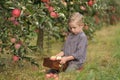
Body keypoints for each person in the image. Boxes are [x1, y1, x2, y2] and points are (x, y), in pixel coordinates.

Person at [45, 12, 88, 80]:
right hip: (66, 60)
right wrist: (56, 56)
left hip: (76, 62)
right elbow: (64, 51)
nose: (72, 30)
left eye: (74, 27)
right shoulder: (70, 35)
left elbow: (79, 54)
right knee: (53, 68)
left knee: (68, 72)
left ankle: (78, 69)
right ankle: (52, 73)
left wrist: (66, 58)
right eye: (70, 28)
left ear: (81, 25)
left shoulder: (82, 37)